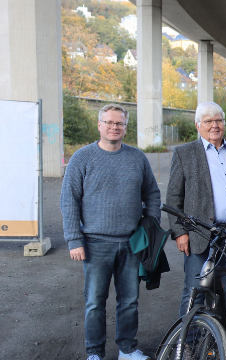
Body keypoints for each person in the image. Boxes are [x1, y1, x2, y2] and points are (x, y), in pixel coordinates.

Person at [61, 104, 160, 360]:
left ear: (126, 128)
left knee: (129, 301)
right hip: (95, 243)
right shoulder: (82, 158)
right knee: (95, 303)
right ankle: (94, 353)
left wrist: (150, 225)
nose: (114, 127)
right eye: (109, 122)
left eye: (120, 124)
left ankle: (127, 349)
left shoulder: (137, 157)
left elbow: (151, 193)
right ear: (99, 125)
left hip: (131, 243)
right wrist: (74, 239)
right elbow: (68, 199)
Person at [166, 101, 226, 316]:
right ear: (198, 125)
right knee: (195, 290)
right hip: (201, 232)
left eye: (218, 120)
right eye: (208, 121)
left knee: (222, 290)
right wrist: (180, 233)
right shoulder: (185, 153)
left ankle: (214, 344)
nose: (214, 125)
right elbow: (173, 196)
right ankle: (187, 344)